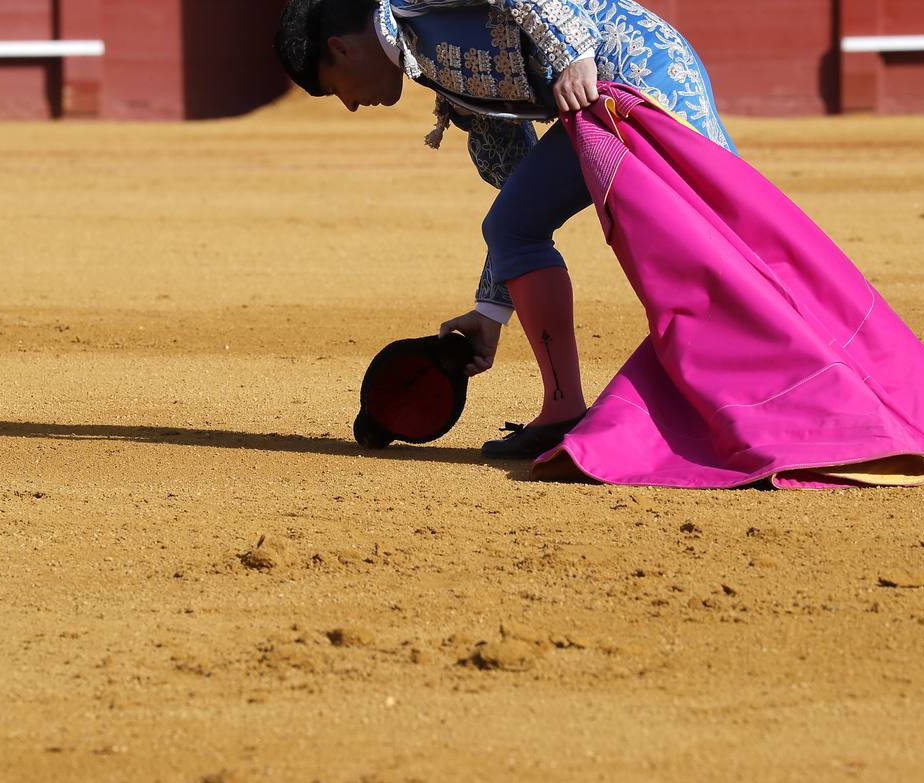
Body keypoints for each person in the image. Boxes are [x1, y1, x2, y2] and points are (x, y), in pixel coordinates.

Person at [275, 0, 736, 457]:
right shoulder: (436, 70)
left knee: (714, 237)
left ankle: (756, 386)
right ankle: (563, 412)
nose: (351, 105)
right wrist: (492, 308)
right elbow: (518, 187)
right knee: (514, 224)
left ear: (342, 49)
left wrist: (573, 53)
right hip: (598, 104)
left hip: (642, 76)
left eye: (335, 89)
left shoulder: (411, 5)